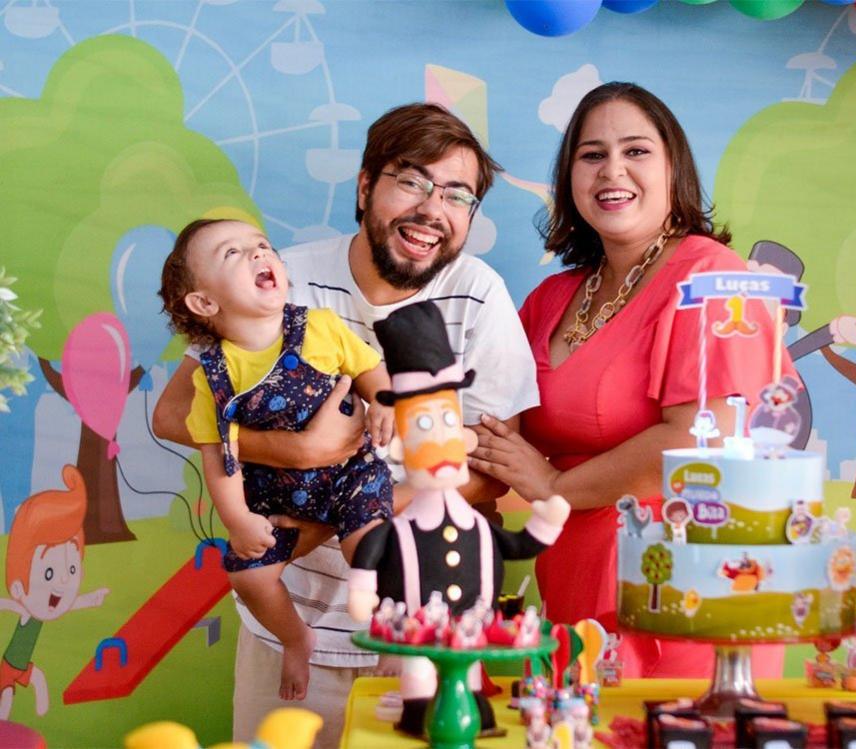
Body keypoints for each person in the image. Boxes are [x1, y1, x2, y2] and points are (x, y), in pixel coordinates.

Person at [151, 103, 538, 746]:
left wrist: (354, 509)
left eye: (458, 195)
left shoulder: (481, 294)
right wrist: (298, 452)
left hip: (424, 632)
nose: (432, 207)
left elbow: (497, 468)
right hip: (290, 624)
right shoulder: (281, 278)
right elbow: (173, 413)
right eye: (412, 180)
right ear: (365, 188)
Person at [469, 82, 794, 678]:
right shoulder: (550, 299)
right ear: (570, 178)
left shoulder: (715, 277)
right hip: (572, 579)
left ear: (675, 170)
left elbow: (702, 442)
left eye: (636, 151)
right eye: (591, 155)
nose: (611, 170)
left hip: (683, 592)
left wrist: (551, 485)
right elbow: (487, 426)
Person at [158, 217, 395, 702]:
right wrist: (238, 519)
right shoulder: (213, 377)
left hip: (350, 477)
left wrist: (386, 401)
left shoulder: (320, 328)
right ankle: (295, 638)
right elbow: (219, 456)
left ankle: (396, 633)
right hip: (277, 497)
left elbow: (370, 368)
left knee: (367, 551)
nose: (258, 254)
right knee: (248, 574)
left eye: (262, 245)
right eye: (233, 253)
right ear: (205, 303)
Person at [347, 300, 569, 736]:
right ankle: (417, 712)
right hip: (413, 638)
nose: (441, 439)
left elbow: (520, 546)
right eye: (424, 428)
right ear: (398, 450)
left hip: (471, 642)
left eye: (448, 421)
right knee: (419, 678)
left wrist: (548, 521)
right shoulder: (399, 532)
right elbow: (370, 555)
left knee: (466, 678)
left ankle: (473, 709)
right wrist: (362, 590)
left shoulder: (478, 528)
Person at [0, 466, 109, 719]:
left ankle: (34, 713)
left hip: (19, 665)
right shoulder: (28, 609)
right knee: (7, 696)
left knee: (36, 678)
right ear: (19, 584)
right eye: (48, 573)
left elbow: (69, 604)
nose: (62, 581)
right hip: (8, 667)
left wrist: (91, 599)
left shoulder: (38, 611)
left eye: (72, 569)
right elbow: (9, 605)